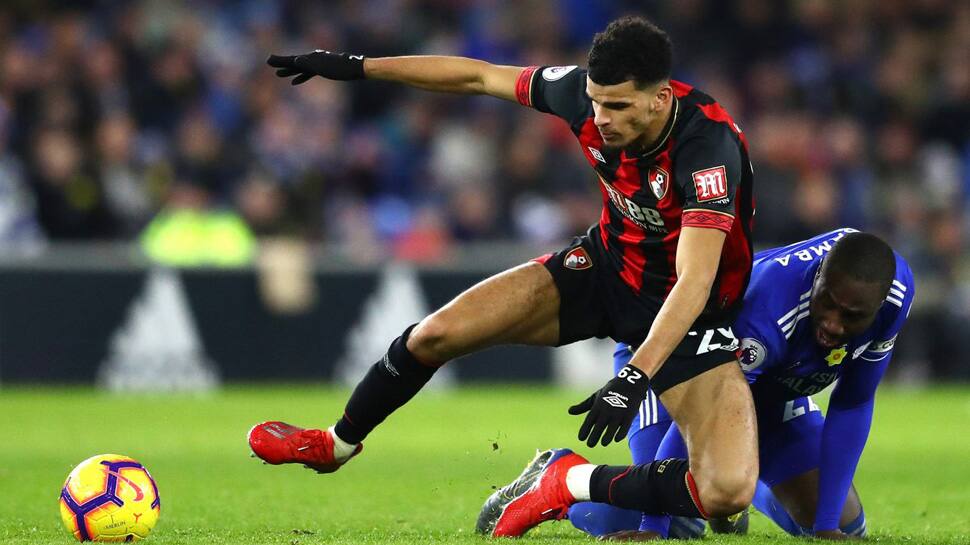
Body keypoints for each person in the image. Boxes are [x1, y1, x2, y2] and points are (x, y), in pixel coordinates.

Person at [249, 16, 759, 531]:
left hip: (688, 315)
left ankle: (564, 479)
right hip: (605, 269)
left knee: (727, 491)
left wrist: (632, 376)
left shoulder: (704, 147)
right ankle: (334, 444)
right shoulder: (578, 96)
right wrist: (358, 68)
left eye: (618, 106)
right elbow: (477, 76)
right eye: (597, 101)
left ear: (660, 98)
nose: (601, 118)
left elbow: (694, 279)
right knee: (435, 334)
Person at [499, 229, 914, 540]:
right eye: (828, 303)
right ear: (817, 277)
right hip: (678, 371)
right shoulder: (767, 313)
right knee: (680, 523)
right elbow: (702, 409)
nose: (833, 323)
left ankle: (737, 486)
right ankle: (559, 478)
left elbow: (853, 403)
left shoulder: (894, 296)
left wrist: (825, 528)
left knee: (846, 525)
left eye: (852, 316)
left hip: (769, 390)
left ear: (878, 307)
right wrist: (653, 523)